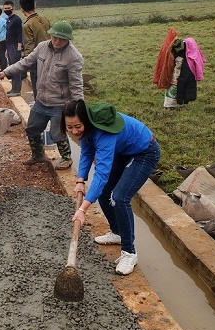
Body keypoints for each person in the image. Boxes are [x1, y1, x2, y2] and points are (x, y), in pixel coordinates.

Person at [62, 100, 161, 275]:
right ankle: (117, 233)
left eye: (77, 126)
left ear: (87, 120)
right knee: (104, 192)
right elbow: (86, 152)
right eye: (69, 128)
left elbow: (101, 174)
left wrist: (83, 209)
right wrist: (80, 180)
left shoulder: (103, 133)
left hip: (145, 151)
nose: (74, 131)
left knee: (119, 197)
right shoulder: (86, 132)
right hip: (124, 150)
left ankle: (129, 252)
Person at [0, 21, 83, 169]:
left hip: (60, 103)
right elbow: (25, 62)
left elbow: (76, 84)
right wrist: (7, 71)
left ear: (68, 39)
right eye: (54, 37)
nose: (56, 41)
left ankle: (66, 158)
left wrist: (78, 108)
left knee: (57, 133)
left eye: (61, 39)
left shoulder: (73, 57)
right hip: (41, 100)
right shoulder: (42, 47)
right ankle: (38, 155)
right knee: (32, 128)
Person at [20, 0, 51, 99]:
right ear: (35, 5)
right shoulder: (45, 19)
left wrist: (27, 63)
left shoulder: (27, 25)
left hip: (37, 61)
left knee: (38, 89)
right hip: (51, 57)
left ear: (22, 10)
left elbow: (29, 45)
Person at [4, 0, 24, 97]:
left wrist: (19, 45)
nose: (7, 10)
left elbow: (20, 33)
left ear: (13, 8)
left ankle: (17, 90)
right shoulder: (8, 20)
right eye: (5, 8)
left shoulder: (16, 19)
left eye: (8, 8)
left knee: (16, 68)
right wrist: (7, 49)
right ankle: (13, 88)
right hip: (9, 46)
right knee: (12, 67)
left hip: (15, 46)